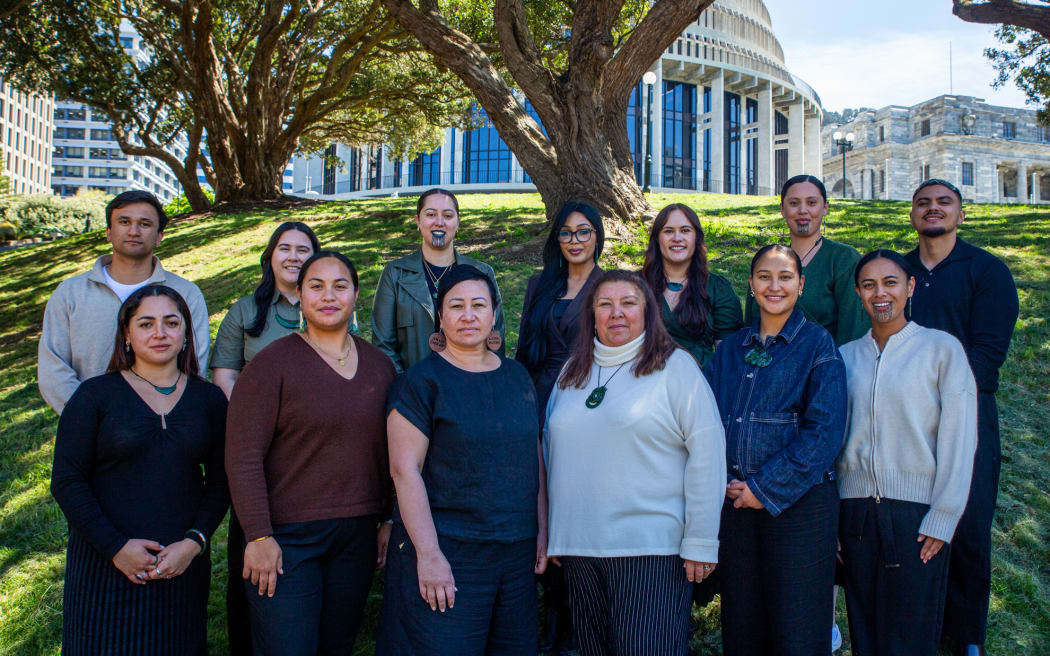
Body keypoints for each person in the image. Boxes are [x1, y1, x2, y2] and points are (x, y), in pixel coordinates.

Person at [544, 269, 726, 656]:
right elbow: (551, 453)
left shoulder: (675, 368)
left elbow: (707, 455)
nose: (616, 313)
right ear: (591, 313)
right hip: (579, 550)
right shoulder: (571, 372)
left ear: (649, 311)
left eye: (628, 303)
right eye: (604, 304)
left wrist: (701, 539)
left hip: (650, 550)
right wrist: (556, 531)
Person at [225, 251, 396, 656]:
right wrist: (259, 535)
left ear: (355, 295)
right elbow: (242, 456)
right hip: (285, 540)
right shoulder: (271, 365)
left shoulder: (379, 367)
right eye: (315, 286)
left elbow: (391, 452)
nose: (328, 295)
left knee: (335, 647)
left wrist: (388, 518)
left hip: (356, 537)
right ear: (299, 296)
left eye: (340, 286)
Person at [377, 265, 547, 656]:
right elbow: (404, 471)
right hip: (450, 553)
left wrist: (542, 528)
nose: (468, 315)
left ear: (493, 314)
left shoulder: (518, 377)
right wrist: (429, 555)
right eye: (456, 306)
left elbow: (532, 455)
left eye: (478, 305)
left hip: (515, 555)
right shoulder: (420, 382)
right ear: (441, 316)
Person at [50, 285, 229, 655]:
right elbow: (67, 482)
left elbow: (221, 483)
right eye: (146, 324)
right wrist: (115, 548)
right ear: (127, 335)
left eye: (171, 323)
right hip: (105, 567)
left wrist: (194, 543)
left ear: (185, 334)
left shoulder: (209, 399)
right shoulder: (95, 396)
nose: (160, 333)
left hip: (180, 567)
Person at [706, 244, 847, 656]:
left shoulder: (819, 347)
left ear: (801, 285)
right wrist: (729, 483)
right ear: (751, 285)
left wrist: (763, 489)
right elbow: (707, 423)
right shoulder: (730, 349)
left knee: (797, 628)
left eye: (785, 277)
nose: (774, 285)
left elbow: (823, 434)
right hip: (736, 507)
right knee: (743, 625)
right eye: (764, 276)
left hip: (800, 509)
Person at [838, 249, 978, 656]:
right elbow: (831, 441)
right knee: (865, 630)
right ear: (859, 294)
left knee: (910, 637)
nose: (880, 293)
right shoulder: (844, 357)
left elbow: (960, 436)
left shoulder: (941, 350)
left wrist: (944, 514)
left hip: (917, 516)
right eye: (869, 285)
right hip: (856, 512)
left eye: (890, 282)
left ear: (910, 287)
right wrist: (834, 517)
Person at [903, 179, 1019, 656]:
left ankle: (967, 636)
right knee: (912, 521)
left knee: (968, 526)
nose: (933, 209)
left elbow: (988, 353)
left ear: (960, 214)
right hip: (904, 416)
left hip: (968, 413)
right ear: (912, 214)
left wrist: (941, 395)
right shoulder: (899, 270)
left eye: (944, 202)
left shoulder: (987, 271)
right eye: (924, 202)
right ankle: (918, 629)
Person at [209, 221, 320, 656]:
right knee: (250, 538)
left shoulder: (331, 306)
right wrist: (252, 431)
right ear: (270, 256)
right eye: (284, 248)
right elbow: (225, 376)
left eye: (303, 248)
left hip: (312, 447)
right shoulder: (244, 312)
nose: (293, 256)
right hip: (258, 449)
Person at [515, 201, 603, 654]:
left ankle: (577, 622)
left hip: (585, 401)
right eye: (566, 233)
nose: (574, 240)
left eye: (583, 232)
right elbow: (523, 348)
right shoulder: (540, 284)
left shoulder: (608, 286)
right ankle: (548, 617)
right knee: (541, 503)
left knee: (575, 502)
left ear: (597, 237)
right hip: (537, 396)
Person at [38, 190, 210, 414]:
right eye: (124, 222)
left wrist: (158, 416)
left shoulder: (186, 294)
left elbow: (194, 363)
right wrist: (89, 416)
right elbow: (53, 368)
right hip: (87, 424)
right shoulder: (70, 293)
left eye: (145, 224)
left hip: (163, 426)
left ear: (159, 236)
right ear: (109, 231)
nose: (134, 231)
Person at [372, 188, 505, 373]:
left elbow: (496, 339)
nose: (439, 222)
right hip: (414, 393)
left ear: (458, 223)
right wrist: (408, 389)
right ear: (418, 221)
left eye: (448, 215)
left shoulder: (482, 272)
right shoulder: (395, 274)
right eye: (431, 214)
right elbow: (383, 347)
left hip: (471, 389)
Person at [745, 175, 868, 346]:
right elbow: (750, 326)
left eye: (811, 203)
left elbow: (853, 332)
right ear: (782, 209)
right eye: (794, 203)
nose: (803, 210)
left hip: (825, 365)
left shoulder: (843, 259)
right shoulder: (767, 261)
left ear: (825, 207)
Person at [642, 202, 742, 370]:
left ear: (696, 237)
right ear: (657, 239)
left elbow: (728, 357)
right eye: (668, 231)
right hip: (645, 382)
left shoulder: (718, 289)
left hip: (700, 384)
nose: (677, 238)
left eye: (685, 230)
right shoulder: (635, 284)